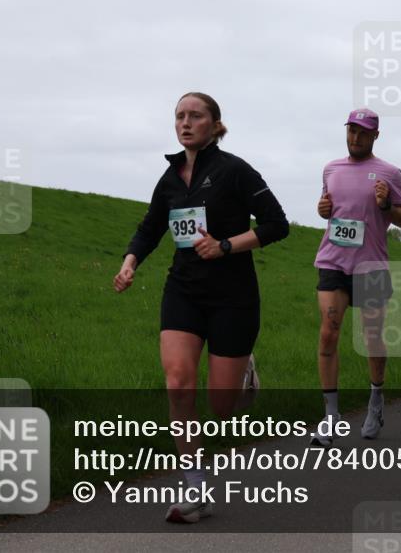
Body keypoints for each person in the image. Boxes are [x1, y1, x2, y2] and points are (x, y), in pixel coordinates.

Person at [114, 91, 289, 523]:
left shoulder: (235, 171)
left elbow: (276, 224)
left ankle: (245, 364)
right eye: (179, 116)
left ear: (215, 124)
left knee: (223, 407)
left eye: (195, 116)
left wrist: (227, 245)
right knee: (177, 383)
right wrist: (130, 262)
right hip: (184, 290)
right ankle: (195, 490)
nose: (186, 122)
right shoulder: (171, 177)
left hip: (233, 296)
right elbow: (152, 226)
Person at [313, 109, 401, 447]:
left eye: (363, 133)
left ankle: (375, 401)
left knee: (372, 337)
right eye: (351, 131)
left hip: (371, 266)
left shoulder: (390, 172)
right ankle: (330, 416)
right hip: (333, 261)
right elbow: (328, 207)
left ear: (375, 136)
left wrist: (386, 205)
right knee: (328, 333)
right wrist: (322, 209)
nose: (355, 138)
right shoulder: (331, 169)